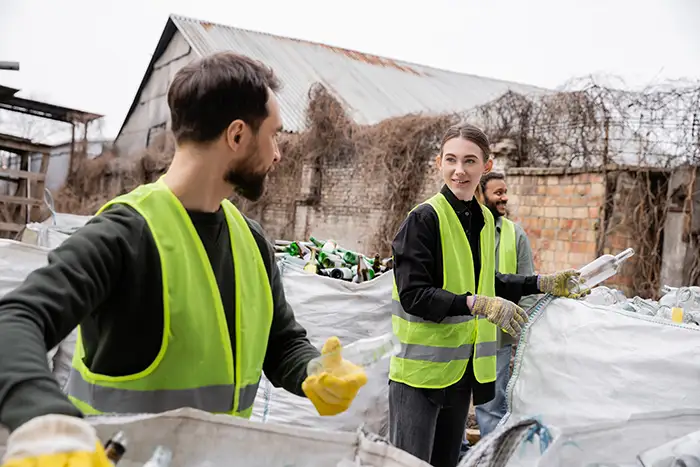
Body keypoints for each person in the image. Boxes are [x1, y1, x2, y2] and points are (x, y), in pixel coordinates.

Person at [0, 52, 367, 467]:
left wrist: (311, 371)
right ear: (237, 136)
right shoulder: (124, 235)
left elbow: (281, 342)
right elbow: (13, 321)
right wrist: (43, 421)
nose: (279, 154)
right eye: (275, 135)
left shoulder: (251, 240)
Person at [388, 123, 586, 467]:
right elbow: (414, 295)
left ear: (487, 166)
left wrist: (542, 283)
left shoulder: (480, 218)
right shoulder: (423, 219)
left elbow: (487, 282)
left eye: (469, 161)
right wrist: (475, 303)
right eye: (450, 160)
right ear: (439, 163)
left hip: (460, 376)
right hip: (417, 377)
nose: (459, 170)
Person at [474, 171, 537, 438]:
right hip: (460, 328)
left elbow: (529, 285)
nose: (504, 198)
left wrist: (525, 333)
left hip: (497, 336)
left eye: (505, 192)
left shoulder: (516, 234)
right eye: (498, 193)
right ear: (482, 196)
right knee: (452, 398)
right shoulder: (467, 230)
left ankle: (491, 455)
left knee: (491, 402)